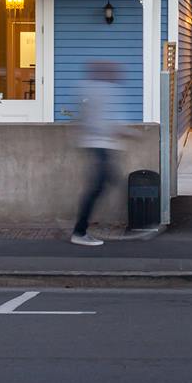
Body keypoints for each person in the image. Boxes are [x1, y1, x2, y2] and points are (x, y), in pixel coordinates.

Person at [70, 60, 121, 246]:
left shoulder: (89, 89)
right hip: (99, 145)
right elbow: (99, 122)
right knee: (98, 186)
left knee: (105, 183)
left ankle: (83, 228)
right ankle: (80, 231)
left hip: (98, 144)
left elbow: (88, 117)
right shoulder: (101, 91)